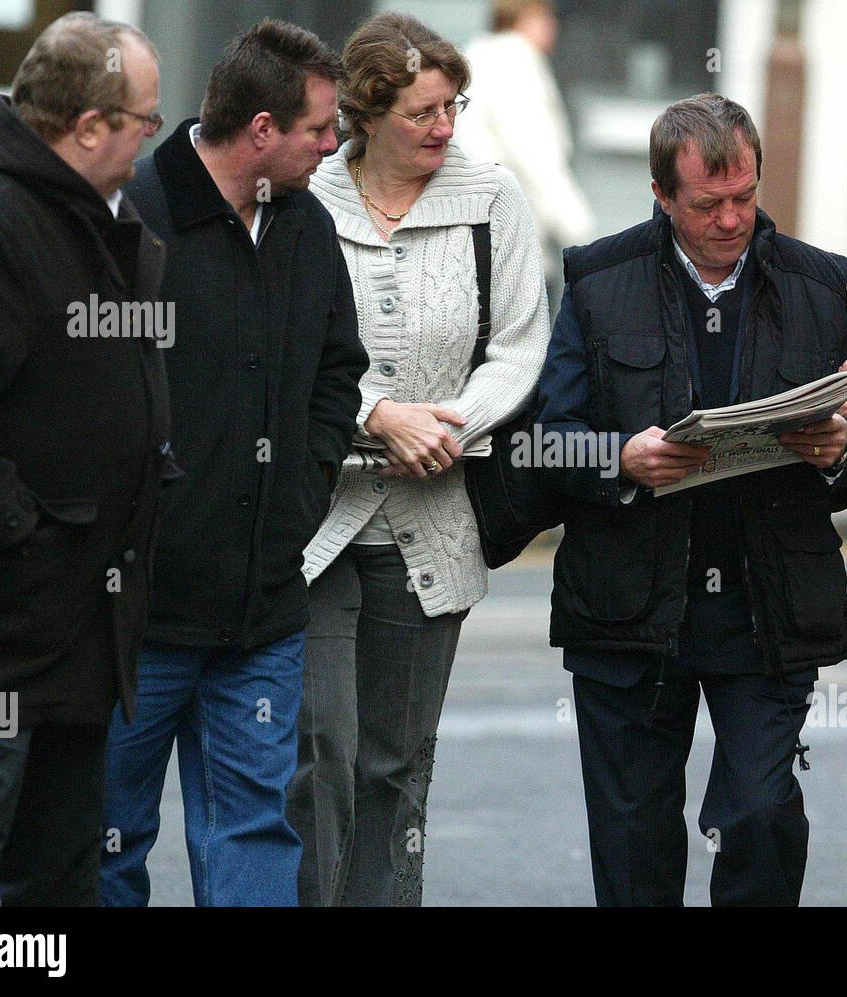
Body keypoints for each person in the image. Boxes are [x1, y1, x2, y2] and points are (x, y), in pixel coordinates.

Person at [535, 92, 847, 906]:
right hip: (629, 607)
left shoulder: (814, 283)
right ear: (662, 196)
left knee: (763, 815)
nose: (732, 220)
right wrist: (621, 458)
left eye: (745, 197)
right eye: (708, 204)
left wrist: (844, 450)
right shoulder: (598, 281)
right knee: (634, 844)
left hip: (767, 608)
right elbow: (547, 443)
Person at [100, 20, 368, 907]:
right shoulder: (133, 218)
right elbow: (76, 394)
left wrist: (302, 487)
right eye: (320, 130)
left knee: (254, 827)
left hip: (262, 614)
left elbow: (339, 371)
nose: (334, 146)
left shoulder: (306, 226)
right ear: (261, 129)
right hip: (135, 619)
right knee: (106, 837)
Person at [288, 12, 551, 907]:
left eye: (453, 106)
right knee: (320, 748)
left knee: (396, 765)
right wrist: (376, 415)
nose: (444, 127)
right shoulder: (306, 199)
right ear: (365, 114)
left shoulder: (492, 199)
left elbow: (520, 343)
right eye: (422, 112)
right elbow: (285, 343)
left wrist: (450, 424)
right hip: (317, 520)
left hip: (433, 519)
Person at [0, 12, 168, 905]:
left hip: (82, 624)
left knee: (60, 871)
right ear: (89, 125)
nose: (151, 139)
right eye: (146, 120)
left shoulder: (104, 214)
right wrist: (27, 535)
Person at [458, 0, 594, 309]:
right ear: (532, 16)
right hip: (516, 252)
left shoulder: (477, 55)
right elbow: (536, 158)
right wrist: (581, 236)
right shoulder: (515, 60)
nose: (555, 28)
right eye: (550, 17)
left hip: (476, 244)